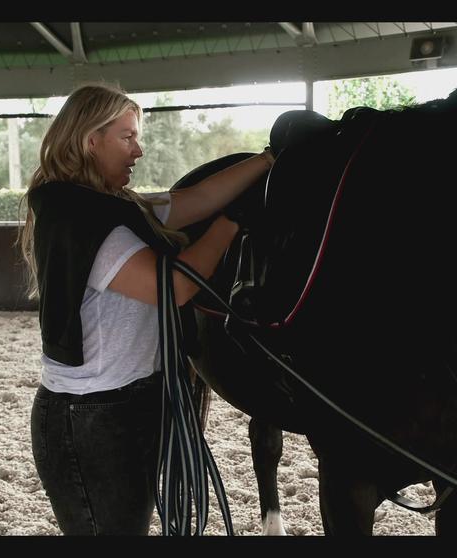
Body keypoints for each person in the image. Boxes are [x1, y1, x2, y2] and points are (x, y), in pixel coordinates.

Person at [15, 82, 275, 535]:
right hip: (91, 415)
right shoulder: (86, 222)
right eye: (128, 137)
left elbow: (196, 201)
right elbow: (174, 285)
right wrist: (233, 223)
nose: (139, 150)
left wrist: (270, 158)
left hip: (119, 405)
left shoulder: (112, 207)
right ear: (89, 140)